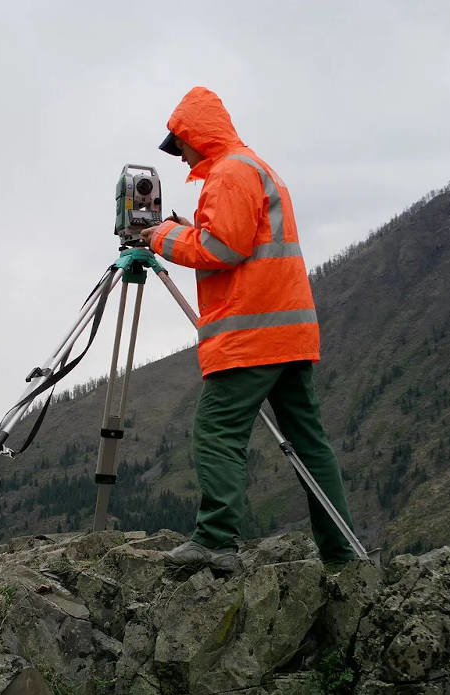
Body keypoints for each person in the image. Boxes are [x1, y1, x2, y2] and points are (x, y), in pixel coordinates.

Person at [139, 86, 358, 574]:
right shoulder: (255, 167)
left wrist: (159, 236)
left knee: (217, 431)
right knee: (310, 443)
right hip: (289, 333)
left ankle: (216, 541)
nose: (181, 158)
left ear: (196, 135)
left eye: (181, 146)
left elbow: (221, 248)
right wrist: (183, 227)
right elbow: (240, 239)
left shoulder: (230, 173)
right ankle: (342, 555)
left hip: (253, 334)